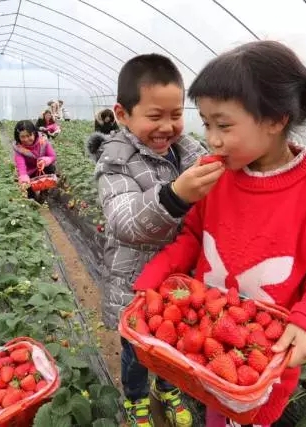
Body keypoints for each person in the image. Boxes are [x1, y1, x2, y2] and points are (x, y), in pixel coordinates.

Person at [132, 40, 306, 427]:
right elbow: (193, 235)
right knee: (214, 408)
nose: (212, 138)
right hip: (209, 336)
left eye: (223, 125)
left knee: (246, 417)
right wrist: (156, 276)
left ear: (275, 120)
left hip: (262, 355)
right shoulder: (216, 176)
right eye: (206, 124)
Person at [88, 53, 224, 427]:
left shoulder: (191, 151)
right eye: (154, 116)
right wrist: (174, 195)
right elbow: (124, 222)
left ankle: (169, 388)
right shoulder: (114, 161)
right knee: (139, 350)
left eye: (176, 114)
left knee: (176, 344)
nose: (168, 126)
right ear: (122, 114)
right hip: (135, 284)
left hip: (182, 281)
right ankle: (135, 398)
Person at [13, 120, 57, 204]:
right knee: (31, 197)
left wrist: (44, 161)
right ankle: (33, 200)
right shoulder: (19, 149)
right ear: (18, 137)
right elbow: (21, 167)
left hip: (42, 168)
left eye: (29, 135)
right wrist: (24, 179)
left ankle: (44, 192)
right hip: (29, 172)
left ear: (34, 133)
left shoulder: (43, 141)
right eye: (22, 137)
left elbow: (53, 156)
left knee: (50, 167)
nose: (26, 139)